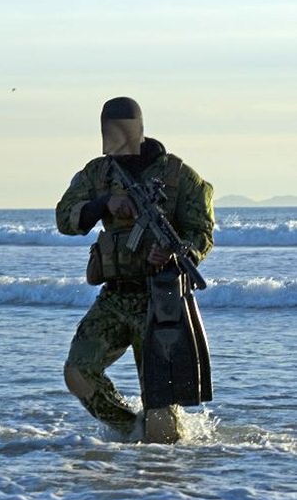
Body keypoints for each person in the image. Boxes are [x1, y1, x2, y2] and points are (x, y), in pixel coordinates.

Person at [56, 97, 214, 442]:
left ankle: (163, 476)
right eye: (107, 129)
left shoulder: (178, 175)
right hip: (114, 298)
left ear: (137, 129)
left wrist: (174, 254)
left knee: (162, 422)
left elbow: (201, 231)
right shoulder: (97, 173)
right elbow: (65, 218)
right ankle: (129, 428)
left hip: (160, 302)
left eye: (120, 129)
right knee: (78, 373)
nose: (113, 136)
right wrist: (104, 204)